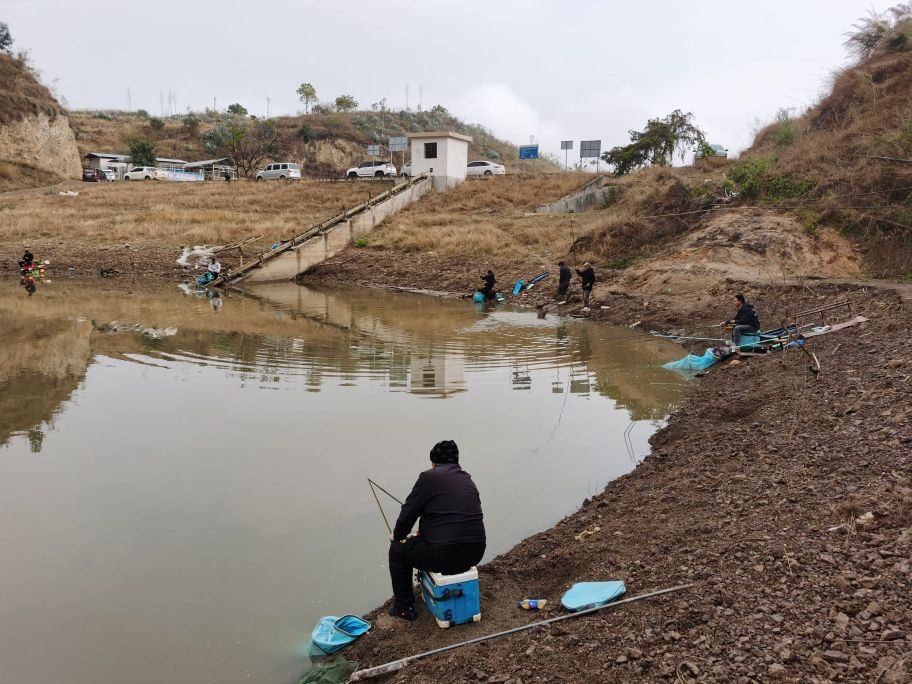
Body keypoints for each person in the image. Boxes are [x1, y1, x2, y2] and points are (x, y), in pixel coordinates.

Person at [388, 440, 486, 621]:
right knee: (430, 543)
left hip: (443, 556)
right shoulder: (468, 480)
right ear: (456, 461)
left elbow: (408, 513)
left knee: (397, 551)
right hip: (474, 554)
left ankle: (404, 607)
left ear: (433, 464)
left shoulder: (428, 478)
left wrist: (397, 536)